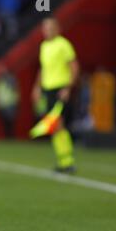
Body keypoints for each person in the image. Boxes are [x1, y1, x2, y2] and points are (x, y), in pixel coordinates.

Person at [32, 17, 79, 173]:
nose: (47, 31)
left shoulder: (63, 44)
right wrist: (37, 88)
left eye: (50, 28)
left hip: (60, 88)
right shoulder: (44, 46)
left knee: (58, 123)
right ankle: (63, 161)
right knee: (54, 125)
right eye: (45, 28)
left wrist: (68, 88)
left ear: (57, 28)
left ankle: (67, 161)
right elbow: (43, 69)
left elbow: (74, 67)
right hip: (48, 90)